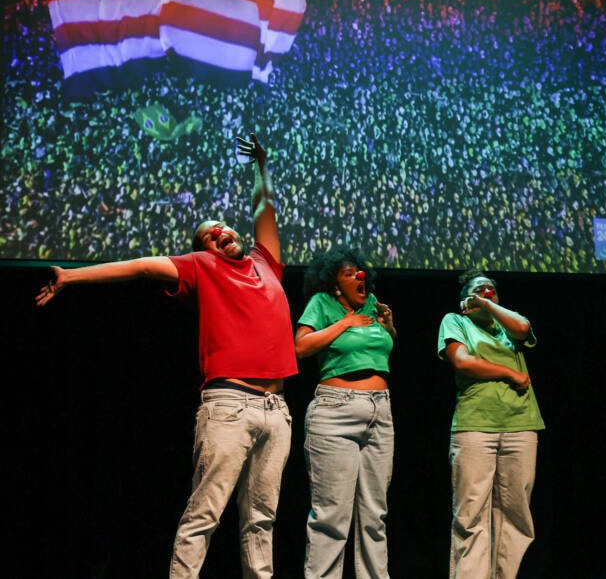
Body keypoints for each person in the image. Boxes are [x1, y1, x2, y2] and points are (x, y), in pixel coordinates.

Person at [35, 134, 297, 579]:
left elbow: (264, 212)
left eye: (222, 227)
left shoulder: (265, 262)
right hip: (229, 406)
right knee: (205, 514)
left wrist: (261, 168)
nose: (219, 233)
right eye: (207, 235)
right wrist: (71, 277)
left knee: (261, 520)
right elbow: (138, 267)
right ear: (203, 247)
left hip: (278, 409)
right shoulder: (200, 266)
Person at [295, 246, 397, 578]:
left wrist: (390, 327)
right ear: (335, 284)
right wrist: (346, 322)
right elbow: (301, 346)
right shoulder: (323, 303)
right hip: (336, 410)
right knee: (331, 516)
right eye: (349, 273)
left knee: (374, 515)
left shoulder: (372, 304)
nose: (359, 277)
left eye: (360, 271)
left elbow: (383, 347)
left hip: (380, 411)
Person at [437, 268, 544, 579]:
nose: (487, 293)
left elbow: (523, 327)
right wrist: (510, 373)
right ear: (464, 300)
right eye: (479, 290)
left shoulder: (507, 325)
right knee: (471, 513)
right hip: (475, 425)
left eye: (492, 290)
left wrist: (489, 305)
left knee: (516, 514)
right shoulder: (455, 321)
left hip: (521, 424)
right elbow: (462, 361)